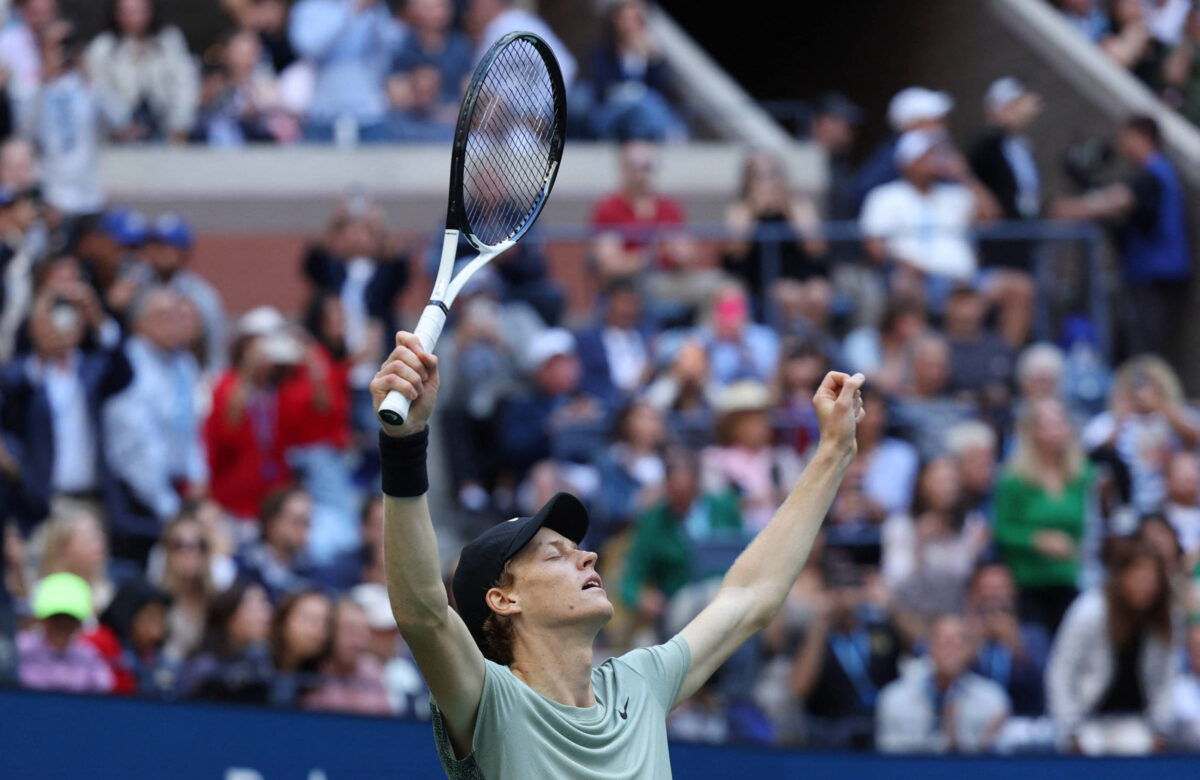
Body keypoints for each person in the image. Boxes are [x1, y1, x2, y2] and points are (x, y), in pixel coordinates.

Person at [369, 328, 865, 778]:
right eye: (554, 556)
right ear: (504, 600)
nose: (588, 559)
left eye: (578, 549)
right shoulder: (489, 700)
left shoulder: (639, 683)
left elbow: (751, 596)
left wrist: (833, 453)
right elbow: (424, 614)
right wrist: (404, 443)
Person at [1051, 116, 1190, 358]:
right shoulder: (1155, 172)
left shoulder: (1156, 172)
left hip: (1155, 274)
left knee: (1146, 343)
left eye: (1125, 136)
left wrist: (1077, 207)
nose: (1121, 144)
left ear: (1140, 137)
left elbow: (1122, 198)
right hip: (1147, 273)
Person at [0, 287, 132, 533]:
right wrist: (42, 354)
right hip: (39, 506)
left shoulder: (93, 368)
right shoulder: (23, 374)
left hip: (90, 501)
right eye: (49, 319)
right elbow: (12, 396)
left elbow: (124, 373)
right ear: (32, 326)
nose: (60, 326)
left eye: (69, 317)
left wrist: (99, 318)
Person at [102, 288, 207, 563]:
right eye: (161, 315)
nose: (172, 321)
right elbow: (134, 444)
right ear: (138, 323)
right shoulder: (128, 365)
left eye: (176, 313)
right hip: (139, 495)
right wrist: (169, 507)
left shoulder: (184, 363)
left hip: (179, 489)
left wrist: (197, 475)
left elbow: (193, 425)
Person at [1046, 545, 1175, 754]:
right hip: (1087, 721)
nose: (1146, 585)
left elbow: (1166, 679)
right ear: (1122, 577)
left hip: (1137, 723)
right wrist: (1069, 731)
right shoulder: (1088, 611)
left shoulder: (1164, 619)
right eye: (1139, 576)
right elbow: (1060, 671)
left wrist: (1161, 731)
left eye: (1153, 579)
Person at [861, 128, 1000, 308]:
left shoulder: (955, 194)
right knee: (905, 285)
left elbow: (991, 217)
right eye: (926, 156)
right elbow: (874, 246)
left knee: (1017, 287)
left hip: (965, 278)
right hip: (919, 278)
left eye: (936, 155)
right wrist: (906, 265)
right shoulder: (885, 196)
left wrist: (963, 174)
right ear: (907, 163)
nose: (933, 161)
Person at [995, 397, 1093, 633]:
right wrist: (1036, 540)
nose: (1053, 432)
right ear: (1032, 431)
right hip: (1028, 583)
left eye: (1058, 423)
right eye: (1045, 425)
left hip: (1074, 581)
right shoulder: (1014, 479)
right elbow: (1001, 529)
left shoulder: (1084, 476)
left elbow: (1095, 524)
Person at [620, 448, 744, 634]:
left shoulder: (725, 508)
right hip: (681, 600)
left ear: (697, 482)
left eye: (686, 487)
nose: (680, 494)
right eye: (674, 488)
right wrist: (641, 597)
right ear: (666, 486)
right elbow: (630, 580)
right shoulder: (653, 522)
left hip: (731, 590)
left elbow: (745, 549)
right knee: (710, 604)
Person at [788, 557, 902, 749]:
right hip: (829, 728)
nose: (843, 597)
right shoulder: (811, 635)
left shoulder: (881, 629)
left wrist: (891, 608)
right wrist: (819, 626)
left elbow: (920, 645)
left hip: (881, 723)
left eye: (851, 588)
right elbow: (798, 689)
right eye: (836, 589)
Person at [968, 77, 1041, 347]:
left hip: (1022, 242)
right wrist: (1002, 121)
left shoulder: (1020, 147)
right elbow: (979, 158)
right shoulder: (987, 144)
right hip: (996, 244)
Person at [722, 151, 828, 328]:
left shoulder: (800, 206)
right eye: (759, 175)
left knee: (819, 294)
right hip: (759, 277)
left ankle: (813, 347)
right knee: (788, 295)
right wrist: (754, 211)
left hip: (800, 273)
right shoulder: (739, 209)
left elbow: (816, 248)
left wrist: (787, 209)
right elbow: (735, 251)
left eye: (772, 174)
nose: (767, 181)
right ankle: (791, 347)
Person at [875, 615, 1010, 753]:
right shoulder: (894, 698)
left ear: (971, 651)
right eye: (944, 642)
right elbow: (888, 755)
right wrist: (942, 743)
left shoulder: (991, 699)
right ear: (928, 646)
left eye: (959, 643)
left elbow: (998, 759)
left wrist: (980, 744)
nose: (951, 651)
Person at [84, 0, 200, 144]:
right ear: (116, 14)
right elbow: (99, 89)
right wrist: (120, 125)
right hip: (119, 136)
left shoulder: (170, 40)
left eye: (139, 11)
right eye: (127, 12)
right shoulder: (102, 47)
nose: (134, 18)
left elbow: (185, 84)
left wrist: (181, 124)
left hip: (166, 130)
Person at [287, 0, 403, 143]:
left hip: (369, 114)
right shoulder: (310, 8)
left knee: (375, 165)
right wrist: (352, 12)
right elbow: (308, 48)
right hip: (324, 114)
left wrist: (377, 13)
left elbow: (395, 45)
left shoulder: (374, 8)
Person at [587, 0, 685, 141]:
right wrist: (634, 90)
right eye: (627, 19)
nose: (631, 25)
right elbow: (604, 87)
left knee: (645, 107)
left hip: (640, 115)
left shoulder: (649, 53)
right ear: (617, 20)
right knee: (643, 102)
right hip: (611, 110)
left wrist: (652, 60)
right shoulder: (604, 52)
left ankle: (664, 133)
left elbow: (660, 89)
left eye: (636, 19)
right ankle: (670, 131)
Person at [965, 562, 1050, 717]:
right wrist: (971, 646)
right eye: (987, 589)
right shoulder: (958, 635)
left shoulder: (1034, 636)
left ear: (1013, 593)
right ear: (973, 595)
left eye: (1000, 589)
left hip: (1023, 722)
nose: (994, 597)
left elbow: (1047, 685)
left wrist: (1016, 646)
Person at [16, 572, 114, 693]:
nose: (62, 625)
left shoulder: (90, 657)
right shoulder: (19, 650)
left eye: (69, 620)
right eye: (56, 618)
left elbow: (103, 691)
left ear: (78, 623)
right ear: (41, 619)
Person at [181, 578, 274, 703]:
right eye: (257, 606)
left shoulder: (262, 658)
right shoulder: (204, 667)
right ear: (230, 615)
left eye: (266, 604)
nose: (267, 614)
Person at [84, 578, 174, 695]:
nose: (157, 632)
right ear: (128, 615)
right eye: (151, 619)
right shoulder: (98, 645)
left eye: (162, 620)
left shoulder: (156, 658)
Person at [302, 597, 391, 715]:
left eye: (362, 632)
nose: (357, 641)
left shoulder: (374, 671)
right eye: (349, 630)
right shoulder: (310, 670)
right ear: (331, 631)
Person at [466, 0, 576, 90]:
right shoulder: (515, 20)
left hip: (562, 104)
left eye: (476, 3)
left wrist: (540, 112)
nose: (472, 9)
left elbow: (565, 66)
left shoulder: (506, 26)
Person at [235, 486, 317, 601]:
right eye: (297, 521)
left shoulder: (309, 570)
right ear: (272, 523)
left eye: (307, 522)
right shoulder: (244, 566)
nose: (304, 529)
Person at [269, 587, 333, 706]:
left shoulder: (318, 674)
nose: (319, 630)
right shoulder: (257, 662)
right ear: (283, 621)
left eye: (325, 622)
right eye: (310, 619)